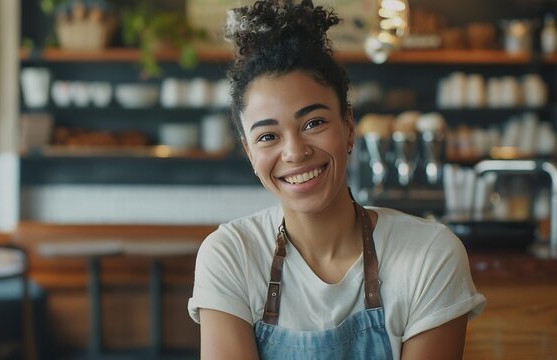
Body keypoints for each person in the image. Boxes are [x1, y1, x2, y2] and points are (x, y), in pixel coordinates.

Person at [187, 1, 486, 358]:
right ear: (250, 154)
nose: (295, 152)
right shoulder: (232, 254)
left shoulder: (429, 255)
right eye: (268, 136)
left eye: (313, 123)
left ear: (348, 127)